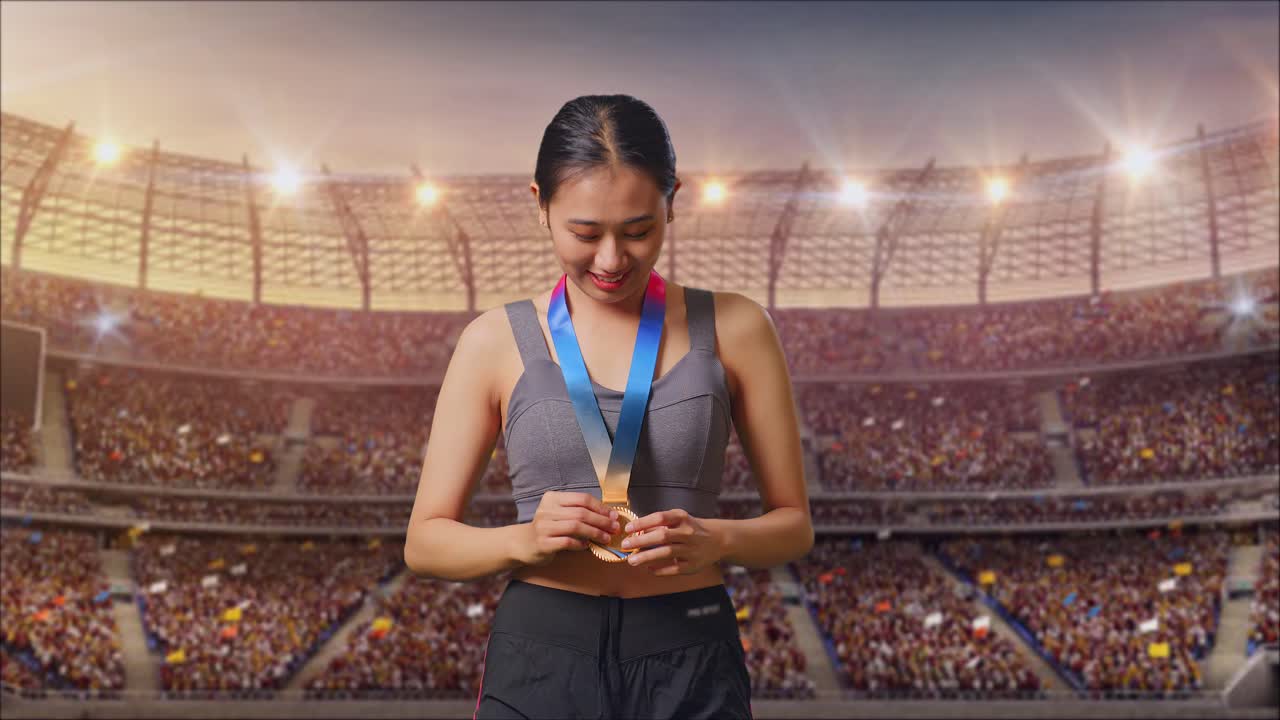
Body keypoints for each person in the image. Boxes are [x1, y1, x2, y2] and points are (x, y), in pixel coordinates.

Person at [405, 94, 813, 719]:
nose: (612, 260)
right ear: (540, 204)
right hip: (542, 649)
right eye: (585, 232)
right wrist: (525, 540)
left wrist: (717, 538)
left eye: (639, 230)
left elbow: (794, 524)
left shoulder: (738, 326)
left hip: (690, 643)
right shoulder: (491, 340)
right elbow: (425, 543)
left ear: (673, 200)